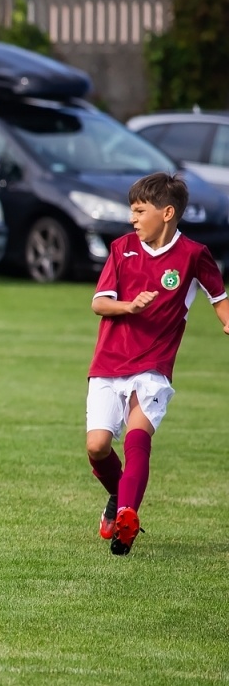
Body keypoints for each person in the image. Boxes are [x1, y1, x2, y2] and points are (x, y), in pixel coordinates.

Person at [85, 172, 229, 555]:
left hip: (154, 366)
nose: (132, 218)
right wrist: (128, 306)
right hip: (108, 363)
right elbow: (99, 302)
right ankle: (119, 495)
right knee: (97, 447)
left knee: (137, 437)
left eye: (139, 210)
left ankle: (128, 518)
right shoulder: (121, 248)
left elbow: (219, 298)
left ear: (166, 213)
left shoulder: (194, 255)